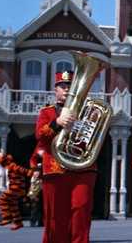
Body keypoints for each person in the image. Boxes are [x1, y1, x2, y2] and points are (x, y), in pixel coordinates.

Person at [35, 70, 98, 243]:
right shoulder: (46, 113)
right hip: (55, 170)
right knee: (56, 216)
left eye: (69, 86)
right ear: (55, 90)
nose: (66, 89)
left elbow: (95, 138)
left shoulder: (89, 111)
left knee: (81, 211)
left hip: (83, 169)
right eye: (62, 86)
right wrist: (57, 123)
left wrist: (82, 123)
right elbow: (40, 136)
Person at [0, 153, 30, 230]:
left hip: (16, 188)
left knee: (2, 199)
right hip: (15, 188)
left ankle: (7, 217)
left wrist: (33, 173)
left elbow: (24, 171)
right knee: (12, 204)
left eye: (0, 162)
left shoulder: (12, 166)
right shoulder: (8, 167)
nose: (0, 164)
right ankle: (18, 223)